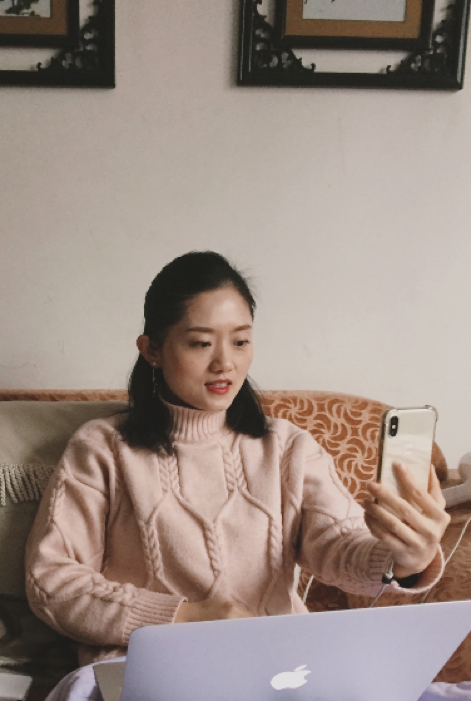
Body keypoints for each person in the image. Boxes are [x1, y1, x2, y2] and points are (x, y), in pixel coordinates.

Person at [25, 251, 449, 696]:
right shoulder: (102, 448)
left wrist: (404, 559)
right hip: (153, 672)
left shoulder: (287, 447)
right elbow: (51, 581)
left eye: (241, 341)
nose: (224, 363)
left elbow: (339, 545)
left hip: (280, 672)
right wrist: (184, 616)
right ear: (151, 349)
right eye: (200, 343)